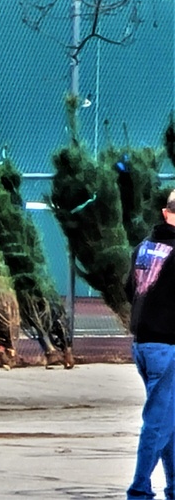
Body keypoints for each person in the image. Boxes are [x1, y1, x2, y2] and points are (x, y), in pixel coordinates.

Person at [126, 189, 175, 499]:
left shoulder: (142, 248)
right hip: (167, 345)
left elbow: (129, 289)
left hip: (144, 344)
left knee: (169, 420)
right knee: (157, 422)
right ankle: (140, 490)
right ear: (168, 213)